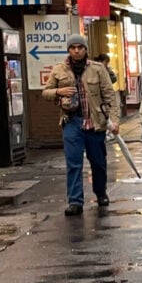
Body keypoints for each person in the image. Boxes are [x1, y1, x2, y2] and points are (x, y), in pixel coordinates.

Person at [41, 35, 120, 215]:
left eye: (80, 47)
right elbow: (45, 93)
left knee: (98, 162)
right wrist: (59, 91)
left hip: (95, 122)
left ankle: (100, 192)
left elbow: (110, 95)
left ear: (85, 49)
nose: (76, 51)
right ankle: (75, 201)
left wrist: (114, 120)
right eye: (73, 48)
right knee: (73, 162)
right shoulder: (59, 70)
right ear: (68, 50)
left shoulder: (98, 69)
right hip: (71, 121)